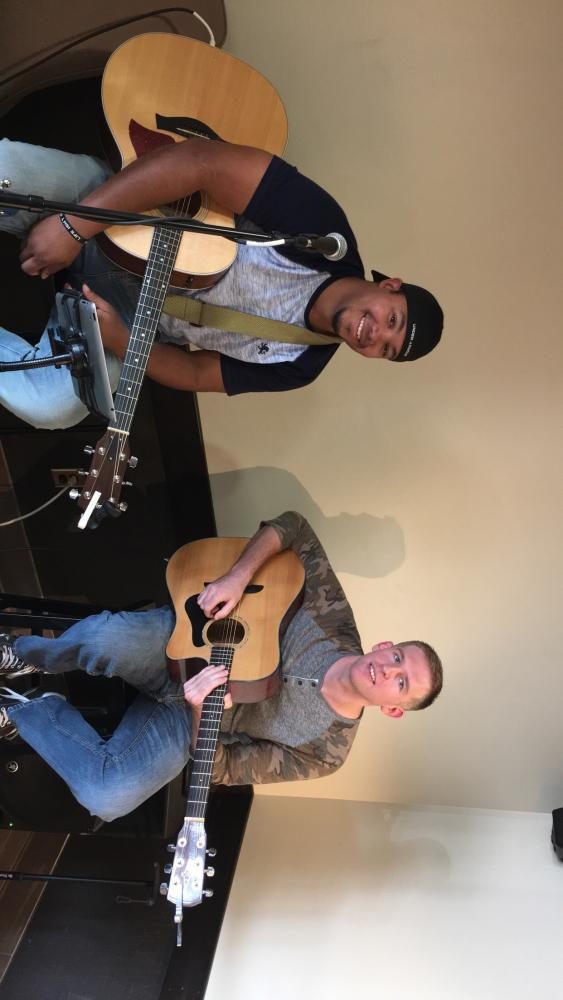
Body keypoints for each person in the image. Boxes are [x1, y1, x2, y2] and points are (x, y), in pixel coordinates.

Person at [0, 511, 442, 822]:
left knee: (107, 797)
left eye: (401, 683)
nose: (387, 671)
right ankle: (24, 654)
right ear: (385, 646)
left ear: (393, 709)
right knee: (102, 639)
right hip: (178, 645)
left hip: (187, 721)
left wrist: (198, 712)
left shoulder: (327, 753)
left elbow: (220, 768)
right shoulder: (334, 618)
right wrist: (238, 577)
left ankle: (28, 707)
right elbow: (294, 526)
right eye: (397, 658)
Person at [0, 136, 444, 429]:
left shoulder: (301, 365)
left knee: (51, 405)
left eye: (386, 348)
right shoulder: (323, 232)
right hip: (123, 214)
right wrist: (76, 225)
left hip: (130, 313)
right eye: (394, 320)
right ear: (390, 286)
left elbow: (194, 372)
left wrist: (121, 339)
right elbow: (200, 162)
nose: (375, 334)